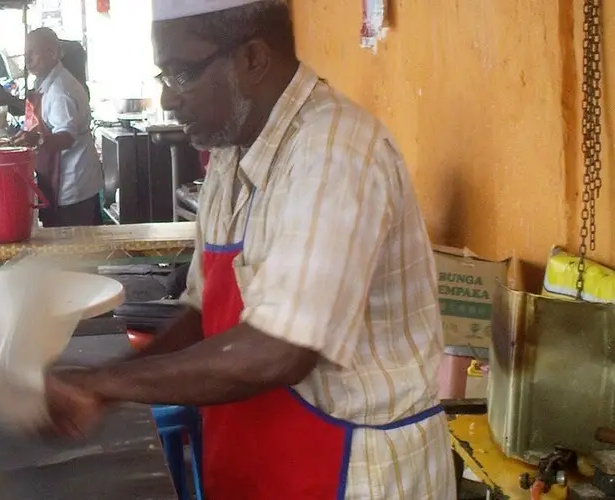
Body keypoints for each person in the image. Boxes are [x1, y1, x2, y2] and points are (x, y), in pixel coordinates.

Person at [40, 1, 455, 498]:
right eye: (163, 76)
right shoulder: (231, 156)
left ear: (253, 58)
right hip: (259, 462)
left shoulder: (334, 153)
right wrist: (105, 382)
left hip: (354, 473)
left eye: (182, 75)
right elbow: (203, 314)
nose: (169, 99)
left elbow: (280, 352)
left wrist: (104, 384)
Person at [14, 28, 103, 227]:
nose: (28, 60)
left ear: (52, 53)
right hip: (58, 182)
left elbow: (66, 137)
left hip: (73, 188)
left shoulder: (60, 90)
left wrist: (35, 140)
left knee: (75, 250)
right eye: (25, 53)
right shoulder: (46, 81)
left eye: (33, 53)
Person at [0, 39, 90, 117]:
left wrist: (11, 100)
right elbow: (28, 106)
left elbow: (40, 109)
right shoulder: (47, 82)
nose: (29, 59)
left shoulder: (66, 89)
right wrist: (9, 100)